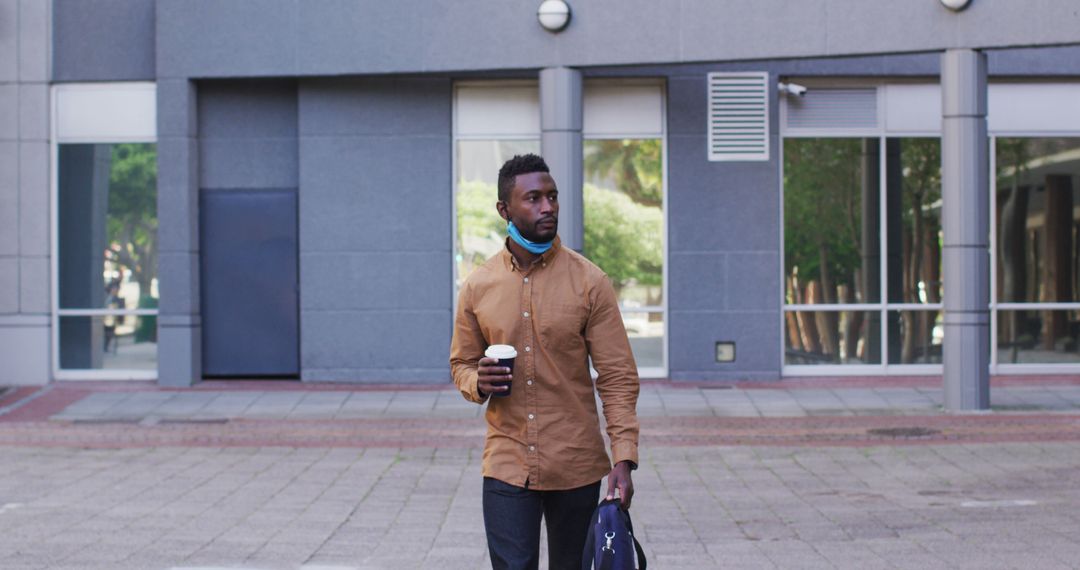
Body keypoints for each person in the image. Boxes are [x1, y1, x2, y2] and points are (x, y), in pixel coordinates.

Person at [450, 154, 640, 570]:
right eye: (533, 198)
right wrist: (478, 381)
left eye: (552, 196)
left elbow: (618, 377)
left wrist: (623, 459)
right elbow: (461, 363)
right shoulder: (478, 286)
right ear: (505, 210)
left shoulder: (590, 282)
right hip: (506, 460)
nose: (548, 207)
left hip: (575, 462)